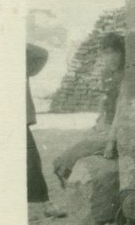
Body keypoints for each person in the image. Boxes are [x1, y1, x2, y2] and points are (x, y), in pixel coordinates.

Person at [52, 32, 126, 186]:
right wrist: (99, 122)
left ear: (121, 52)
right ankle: (63, 169)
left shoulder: (127, 75)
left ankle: (62, 169)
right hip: (107, 126)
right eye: (105, 53)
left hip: (119, 129)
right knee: (83, 144)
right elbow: (106, 102)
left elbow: (121, 109)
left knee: (80, 150)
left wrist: (111, 140)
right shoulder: (109, 74)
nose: (108, 58)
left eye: (112, 52)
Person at [26, 43, 66, 218]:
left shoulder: (18, 62)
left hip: (18, 121)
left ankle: (45, 203)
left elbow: (41, 53)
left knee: (32, 161)